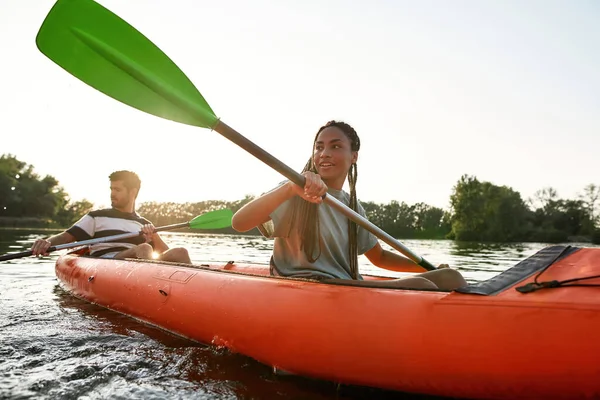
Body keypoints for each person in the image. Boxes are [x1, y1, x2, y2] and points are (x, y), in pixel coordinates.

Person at [232, 120, 467, 290]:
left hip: (346, 285)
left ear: (353, 156)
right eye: (319, 146)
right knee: (421, 286)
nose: (324, 153)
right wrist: (290, 188)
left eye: (335, 146)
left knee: (450, 277)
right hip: (310, 284)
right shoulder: (293, 190)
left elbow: (380, 258)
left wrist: (429, 268)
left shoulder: (352, 206)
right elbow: (239, 222)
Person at [31, 170, 191, 263]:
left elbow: (166, 254)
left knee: (180, 252)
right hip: (107, 264)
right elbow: (66, 238)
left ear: (133, 192)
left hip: (139, 262)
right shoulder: (96, 217)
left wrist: (153, 237)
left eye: (118, 190)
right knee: (144, 248)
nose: (112, 194)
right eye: (111, 189)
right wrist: (47, 242)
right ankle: (151, 290)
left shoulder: (143, 223)